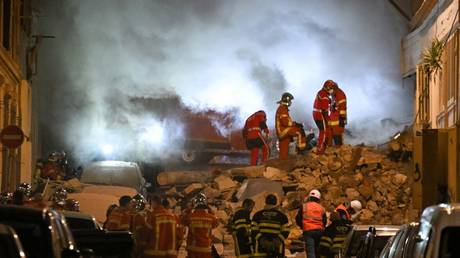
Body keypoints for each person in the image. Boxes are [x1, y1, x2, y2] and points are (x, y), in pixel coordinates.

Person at [182, 193, 218, 258]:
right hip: (206, 249)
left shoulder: (189, 217)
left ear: (194, 204)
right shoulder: (211, 218)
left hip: (192, 249)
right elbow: (216, 223)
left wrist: (189, 209)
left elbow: (182, 220)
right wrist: (209, 209)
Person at [275, 92, 307, 159]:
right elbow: (285, 122)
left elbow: (286, 122)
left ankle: (282, 164)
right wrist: (296, 124)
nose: (290, 102)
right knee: (300, 131)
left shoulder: (282, 108)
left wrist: (294, 123)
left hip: (282, 132)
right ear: (287, 100)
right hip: (283, 131)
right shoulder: (282, 109)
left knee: (283, 153)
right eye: (290, 101)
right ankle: (302, 151)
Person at [296, 189, 327, 258]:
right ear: (319, 199)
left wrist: (302, 226)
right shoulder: (322, 208)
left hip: (308, 231)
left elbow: (298, 219)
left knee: (311, 252)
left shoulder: (304, 206)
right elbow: (324, 221)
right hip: (320, 231)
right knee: (318, 251)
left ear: (309, 197)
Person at [313, 81, 334, 154]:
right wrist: (327, 119)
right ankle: (320, 150)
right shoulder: (324, 96)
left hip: (317, 113)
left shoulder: (321, 92)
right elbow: (325, 110)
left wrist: (329, 101)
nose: (332, 90)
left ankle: (323, 147)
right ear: (328, 87)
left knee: (323, 131)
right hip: (320, 114)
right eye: (331, 88)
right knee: (323, 132)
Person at [330, 81, 347, 146]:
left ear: (334, 88)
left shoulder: (340, 94)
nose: (329, 92)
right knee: (334, 134)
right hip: (333, 119)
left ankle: (340, 150)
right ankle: (337, 149)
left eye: (330, 89)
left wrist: (342, 118)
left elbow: (343, 107)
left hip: (339, 119)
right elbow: (332, 107)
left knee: (338, 134)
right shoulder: (334, 95)